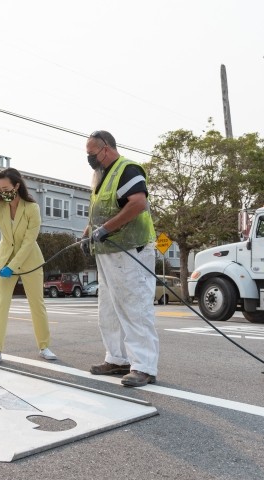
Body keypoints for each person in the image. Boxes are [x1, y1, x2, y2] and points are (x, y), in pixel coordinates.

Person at [83, 130, 158, 387]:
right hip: (107, 252)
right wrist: (88, 233)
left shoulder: (128, 169)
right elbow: (97, 211)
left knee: (134, 306)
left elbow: (138, 203)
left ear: (106, 148)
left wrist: (107, 229)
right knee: (109, 308)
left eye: (92, 153)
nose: (89, 158)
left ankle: (144, 366)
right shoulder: (99, 176)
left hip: (131, 249)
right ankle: (117, 359)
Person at [0, 167, 57, 365]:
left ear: (17, 186)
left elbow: (29, 241)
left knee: (37, 305)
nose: (2, 192)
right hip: (4, 260)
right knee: (1, 305)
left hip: (30, 261)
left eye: (6, 188)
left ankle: (44, 346)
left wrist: (13, 266)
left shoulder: (32, 208)